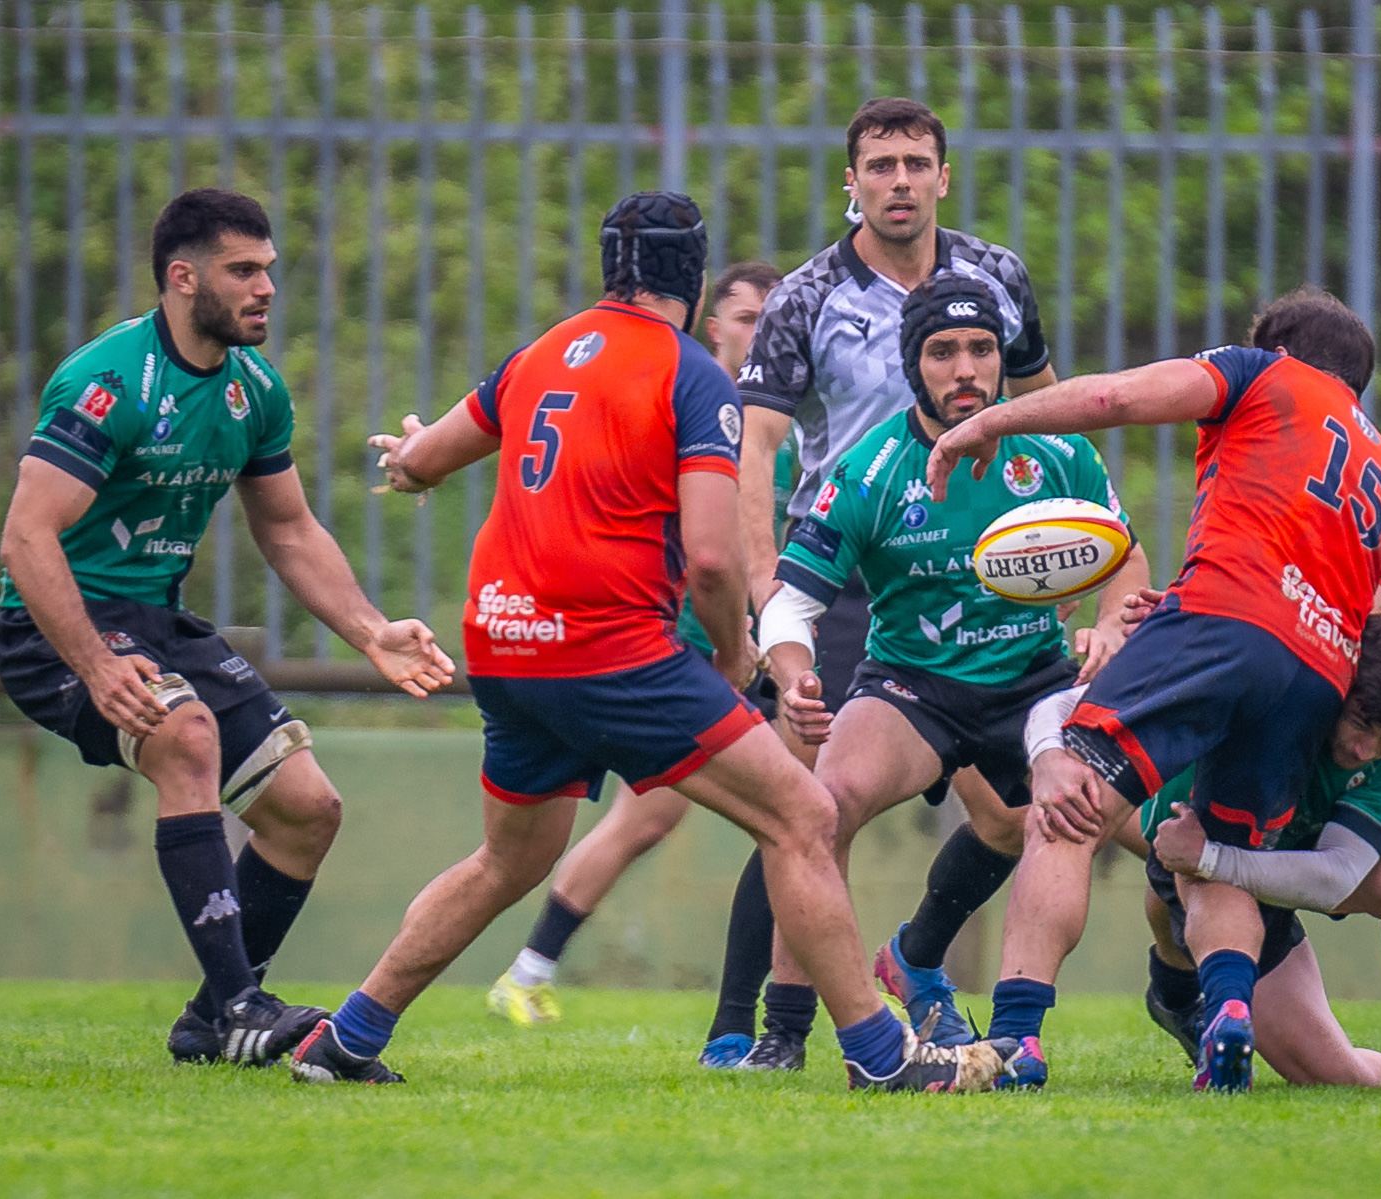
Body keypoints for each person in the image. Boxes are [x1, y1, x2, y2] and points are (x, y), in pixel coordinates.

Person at [292, 192, 1017, 1093]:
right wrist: (728, 652)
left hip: (507, 645)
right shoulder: (691, 374)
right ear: (696, 275)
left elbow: (427, 458)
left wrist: (404, 462)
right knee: (804, 815)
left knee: (509, 858)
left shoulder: (541, 353)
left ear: (610, 269)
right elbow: (712, 557)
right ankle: (883, 1058)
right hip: (610, 649)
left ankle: (345, 1037)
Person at [0, 188, 453, 1067]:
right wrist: (92, 665)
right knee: (187, 734)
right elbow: (26, 536)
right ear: (182, 277)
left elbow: (286, 528)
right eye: (243, 271)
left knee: (308, 809)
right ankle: (245, 1002)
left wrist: (369, 631)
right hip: (53, 628)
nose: (265, 289)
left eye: (269, 272)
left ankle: (209, 1017)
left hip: (156, 621)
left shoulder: (254, 391)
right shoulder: (110, 381)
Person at [927, 287, 1381, 1093]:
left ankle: (1016, 1038)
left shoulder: (1264, 375)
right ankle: (1225, 1013)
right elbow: (1374, 617)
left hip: (1226, 616)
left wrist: (991, 421)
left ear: (1281, 350)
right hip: (1321, 671)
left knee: (1068, 806)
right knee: (1213, 856)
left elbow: (1118, 396)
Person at [729, 94, 1059, 1068]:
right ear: (852, 182)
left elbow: (1049, 409)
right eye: (881, 165)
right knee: (811, 805)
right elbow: (757, 446)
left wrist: (1066, 553)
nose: (900, 180)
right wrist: (763, 597)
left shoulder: (995, 275)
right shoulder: (803, 296)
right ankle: (782, 1033)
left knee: (1009, 816)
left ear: (944, 176)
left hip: (987, 575)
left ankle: (914, 956)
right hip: (841, 578)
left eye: (917, 162)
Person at [747, 275, 1149, 1068]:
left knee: (1142, 833)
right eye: (942, 351)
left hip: (1035, 677)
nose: (965, 368)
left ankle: (996, 1011)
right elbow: (790, 605)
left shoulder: (1059, 452)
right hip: (911, 685)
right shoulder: (873, 468)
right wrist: (792, 675)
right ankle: (785, 1029)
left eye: (981, 349)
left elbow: (1126, 557)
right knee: (819, 806)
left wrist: (1109, 627)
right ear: (913, 363)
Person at [484, 261, 799, 1068]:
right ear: (711, 323)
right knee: (774, 815)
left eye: (773, 319)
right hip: (667, 646)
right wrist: (731, 643)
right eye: (746, 317)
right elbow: (710, 554)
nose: (759, 333)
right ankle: (795, 1026)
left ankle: (535, 970)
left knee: (770, 814)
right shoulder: (680, 394)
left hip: (737, 645)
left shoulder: (773, 429)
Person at [1038, 614, 1381, 1090]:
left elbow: (1335, 876)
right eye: (1360, 722)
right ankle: (1184, 995)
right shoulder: (1270, 684)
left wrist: (1209, 859)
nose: (1366, 750)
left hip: (1233, 855)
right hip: (1205, 858)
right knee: (1336, 1076)